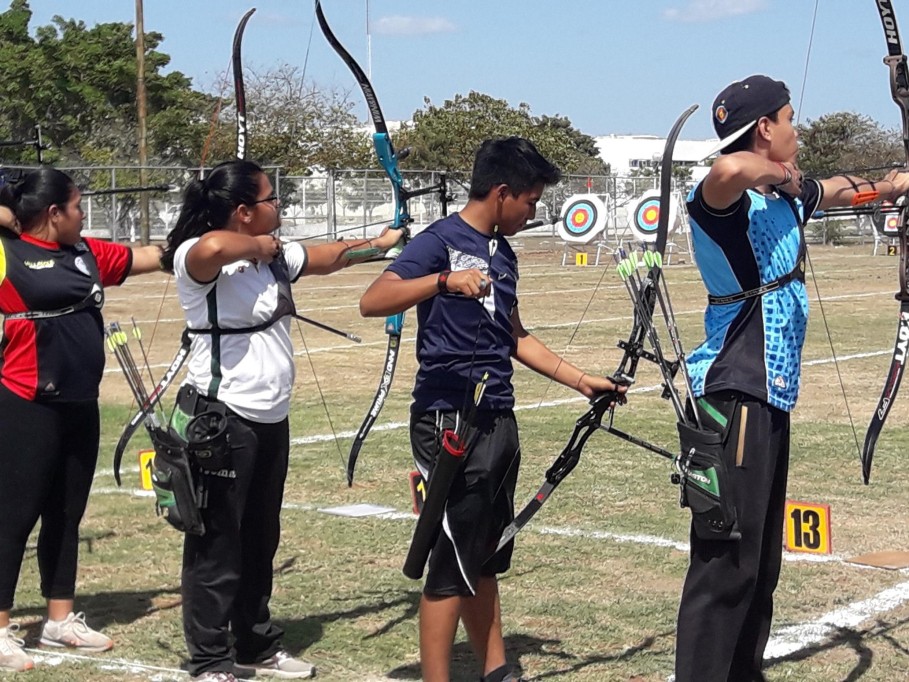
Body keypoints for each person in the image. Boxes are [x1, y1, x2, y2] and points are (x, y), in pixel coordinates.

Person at [359, 137, 626, 682]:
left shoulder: (503, 253)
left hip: (497, 418)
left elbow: (514, 336)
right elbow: (373, 300)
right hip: (447, 420)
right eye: (529, 201)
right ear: (502, 193)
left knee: (481, 552)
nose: (533, 212)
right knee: (450, 558)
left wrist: (582, 382)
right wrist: (441, 281)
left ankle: (497, 669)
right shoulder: (440, 242)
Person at [674, 74, 909, 682]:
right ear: (763, 131)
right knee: (726, 562)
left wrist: (891, 184)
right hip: (733, 392)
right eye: (789, 120)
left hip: (768, 395)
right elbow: (724, 175)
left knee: (758, 562)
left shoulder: (780, 197)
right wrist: (778, 172)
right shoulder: (725, 199)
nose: (796, 132)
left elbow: (835, 190)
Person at [160, 159, 400, 682]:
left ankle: (254, 645)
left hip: (270, 417)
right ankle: (209, 660)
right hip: (221, 418)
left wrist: (379, 245)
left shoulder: (272, 256)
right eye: (270, 199)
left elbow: (328, 257)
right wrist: (261, 246)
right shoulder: (196, 257)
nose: (279, 207)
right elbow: (212, 248)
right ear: (244, 212)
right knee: (217, 542)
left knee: (260, 537)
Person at [0, 167, 163, 672]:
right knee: (13, 518)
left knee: (66, 513)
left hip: (79, 402)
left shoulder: (86, 253)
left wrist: (207, 233)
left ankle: (58, 620)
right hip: (25, 401)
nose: (84, 212)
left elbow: (153, 256)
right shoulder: (6, 254)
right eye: (76, 205)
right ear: (54, 213)